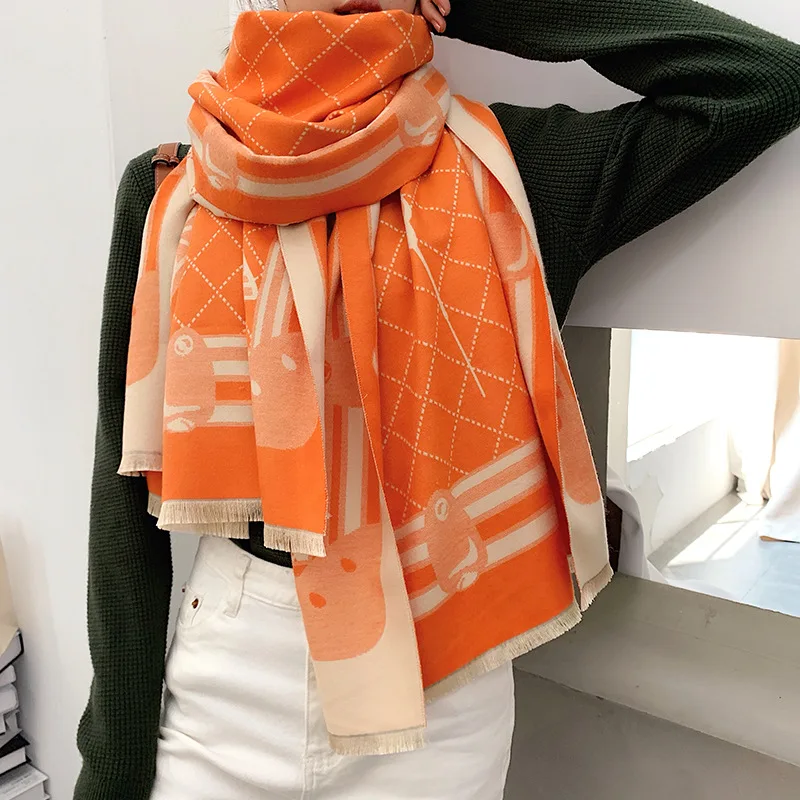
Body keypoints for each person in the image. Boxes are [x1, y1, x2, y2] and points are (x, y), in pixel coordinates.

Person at [75, 1, 800, 798]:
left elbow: (763, 81)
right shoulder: (171, 189)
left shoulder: (510, 171)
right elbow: (121, 504)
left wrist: (480, 4)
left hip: (444, 695)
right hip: (229, 685)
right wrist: (110, 767)